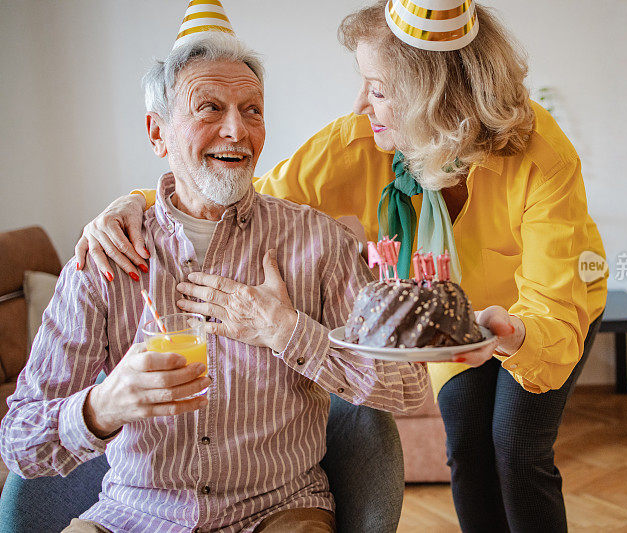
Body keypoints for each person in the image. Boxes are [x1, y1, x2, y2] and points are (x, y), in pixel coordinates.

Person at [75, 2, 608, 531]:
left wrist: (513, 334)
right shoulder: (357, 144)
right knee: (468, 450)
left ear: (432, 95)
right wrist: (141, 201)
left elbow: (553, 312)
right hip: (450, 324)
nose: (362, 104)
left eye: (378, 89)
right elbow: (247, 195)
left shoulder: (541, 155)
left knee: (517, 451)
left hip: (541, 322)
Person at [0, 25, 430, 533]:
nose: (237, 130)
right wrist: (102, 405)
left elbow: (407, 386)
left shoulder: (318, 244)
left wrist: (287, 331)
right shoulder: (104, 259)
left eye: (252, 110)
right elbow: (20, 444)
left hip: (280, 509)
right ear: (157, 133)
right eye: (209, 108)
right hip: (135, 515)